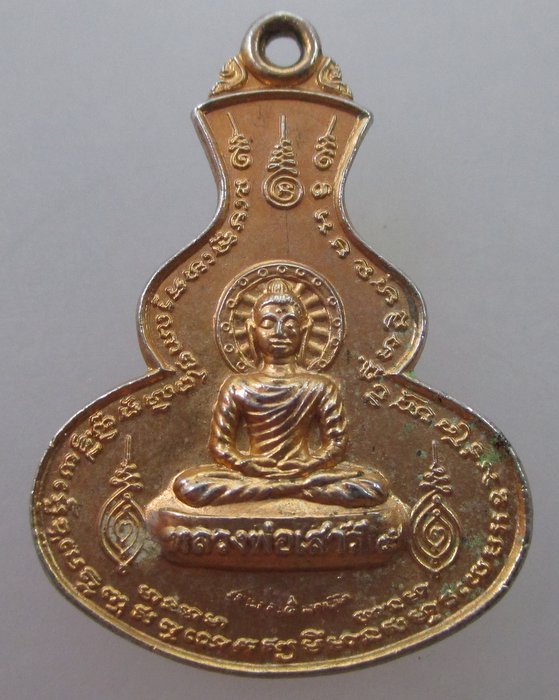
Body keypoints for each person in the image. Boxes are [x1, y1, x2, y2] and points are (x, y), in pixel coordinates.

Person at [173, 278, 391, 507]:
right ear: (252, 330)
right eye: (268, 323)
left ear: (304, 331)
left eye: (289, 324)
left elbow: (337, 444)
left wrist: (309, 465)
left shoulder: (319, 386)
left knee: (374, 486)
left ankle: (277, 490)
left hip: (305, 472)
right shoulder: (238, 385)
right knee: (188, 485)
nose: (279, 332)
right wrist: (247, 464)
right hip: (255, 474)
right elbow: (220, 446)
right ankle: (293, 490)